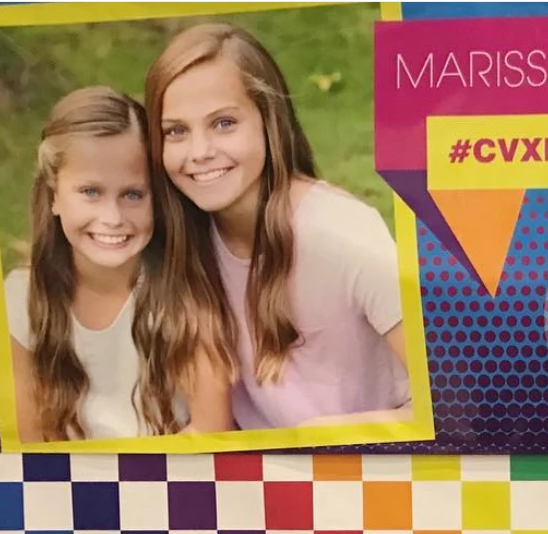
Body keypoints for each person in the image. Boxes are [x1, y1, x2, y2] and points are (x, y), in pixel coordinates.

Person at [143, 23, 411, 433]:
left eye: (223, 123)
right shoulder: (185, 239)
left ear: (268, 121)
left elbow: (458, 411)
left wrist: (326, 437)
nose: (199, 152)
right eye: (176, 131)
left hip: (370, 464)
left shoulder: (343, 236)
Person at [6, 86, 230, 442]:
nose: (112, 217)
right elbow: (28, 442)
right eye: (90, 192)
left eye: (132, 194)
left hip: (173, 472)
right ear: (53, 196)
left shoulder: (184, 292)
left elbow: (211, 431)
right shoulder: (22, 300)